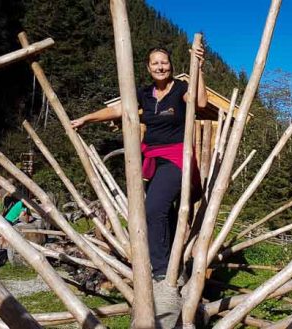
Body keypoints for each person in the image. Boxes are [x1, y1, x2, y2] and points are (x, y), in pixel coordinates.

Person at [71, 42, 208, 279]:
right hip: (152, 159)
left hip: (176, 158)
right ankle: (178, 262)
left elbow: (201, 103)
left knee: (154, 209)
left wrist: (199, 69)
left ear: (171, 66)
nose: (160, 66)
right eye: (155, 63)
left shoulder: (181, 88)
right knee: (168, 212)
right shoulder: (144, 94)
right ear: (148, 68)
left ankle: (162, 271)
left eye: (164, 62)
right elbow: (118, 109)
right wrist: (87, 118)